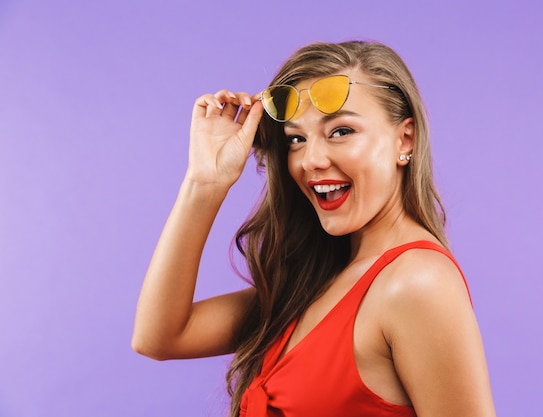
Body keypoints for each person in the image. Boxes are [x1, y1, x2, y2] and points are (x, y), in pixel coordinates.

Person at [132, 40, 496, 417]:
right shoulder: (315, 282)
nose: (311, 160)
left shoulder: (417, 283)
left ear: (404, 139)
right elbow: (158, 337)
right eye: (296, 139)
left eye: (341, 131)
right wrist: (204, 183)